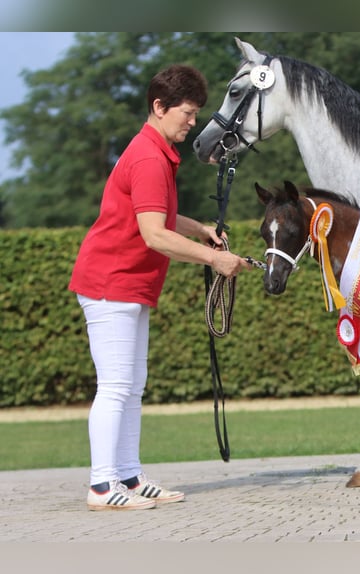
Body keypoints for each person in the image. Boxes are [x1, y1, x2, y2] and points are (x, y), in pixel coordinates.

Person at [69, 64, 252, 511]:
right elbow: (153, 235)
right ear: (159, 107)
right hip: (112, 283)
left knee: (132, 386)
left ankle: (128, 478)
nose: (193, 122)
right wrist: (215, 258)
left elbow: (160, 216)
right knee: (116, 386)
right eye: (188, 113)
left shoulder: (154, 151)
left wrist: (200, 229)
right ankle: (100, 487)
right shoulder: (150, 157)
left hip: (128, 286)